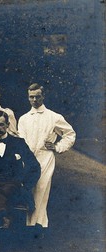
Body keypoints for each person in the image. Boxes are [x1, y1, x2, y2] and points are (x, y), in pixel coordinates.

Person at [18, 83, 76, 228]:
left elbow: (70, 134)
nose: (34, 100)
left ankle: (38, 225)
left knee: (41, 189)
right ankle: (26, 223)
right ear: (28, 98)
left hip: (45, 157)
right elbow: (20, 140)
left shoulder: (54, 117)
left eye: (37, 96)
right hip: (28, 158)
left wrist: (57, 147)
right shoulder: (24, 119)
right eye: (31, 97)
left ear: (43, 96)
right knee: (28, 189)